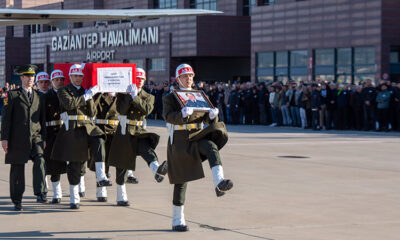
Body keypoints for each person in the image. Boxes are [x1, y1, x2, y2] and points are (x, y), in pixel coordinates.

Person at [163, 63, 233, 232]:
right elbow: (167, 116)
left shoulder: (199, 95)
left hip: (197, 136)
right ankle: (177, 220)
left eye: (191, 76)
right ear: (178, 79)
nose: (189, 79)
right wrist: (181, 115)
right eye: (185, 76)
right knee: (181, 181)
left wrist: (212, 117)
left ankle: (219, 181)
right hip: (180, 140)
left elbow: (207, 120)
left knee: (210, 146)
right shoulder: (170, 97)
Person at [51, 64, 112, 209]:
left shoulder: (86, 91)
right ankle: (74, 197)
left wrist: (92, 96)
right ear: (71, 77)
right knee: (75, 164)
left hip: (87, 126)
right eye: (75, 76)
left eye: (80, 76)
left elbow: (92, 112)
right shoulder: (63, 90)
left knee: (99, 138)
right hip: (72, 128)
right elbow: (70, 104)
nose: (78, 78)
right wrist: (87, 96)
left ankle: (101, 175)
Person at [108, 67, 167, 206]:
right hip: (124, 130)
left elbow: (146, 110)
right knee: (122, 164)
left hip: (139, 130)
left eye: (141, 79)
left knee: (147, 150)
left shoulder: (149, 96)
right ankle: (121, 196)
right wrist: (129, 96)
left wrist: (135, 97)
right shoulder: (123, 94)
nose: (139, 81)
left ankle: (157, 171)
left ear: (144, 80)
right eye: (136, 78)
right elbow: (121, 110)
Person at [1, 64, 47, 211]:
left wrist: (44, 137)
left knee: (40, 159)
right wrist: (4, 138)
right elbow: (6, 119)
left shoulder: (39, 96)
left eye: (32, 76)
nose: (30, 79)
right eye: (27, 76)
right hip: (17, 138)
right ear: (21, 77)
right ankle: (17, 200)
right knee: (17, 168)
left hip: (36, 136)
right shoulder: (12, 95)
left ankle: (40, 192)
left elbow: (42, 119)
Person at [43, 70, 68, 204]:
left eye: (61, 79)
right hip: (50, 133)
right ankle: (55, 193)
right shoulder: (47, 96)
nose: (59, 82)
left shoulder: (67, 94)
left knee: (70, 162)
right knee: (52, 165)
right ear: (52, 81)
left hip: (64, 131)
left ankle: (78, 188)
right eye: (56, 80)